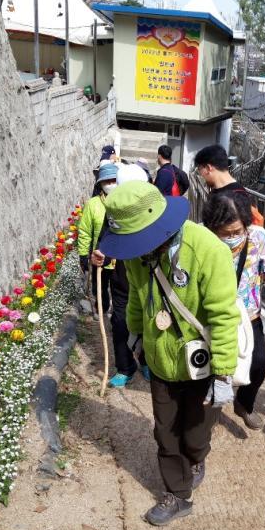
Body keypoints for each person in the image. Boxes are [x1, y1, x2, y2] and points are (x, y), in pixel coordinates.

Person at [99, 181, 240, 526]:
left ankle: (197, 456)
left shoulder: (209, 250)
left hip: (202, 363)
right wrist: (134, 336)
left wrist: (223, 373)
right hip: (160, 358)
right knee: (165, 431)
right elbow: (135, 297)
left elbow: (224, 316)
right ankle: (179, 495)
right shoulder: (137, 256)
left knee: (195, 431)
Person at [202, 193, 265, 429]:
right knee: (211, 366)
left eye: (237, 231)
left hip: (248, 314)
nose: (233, 238)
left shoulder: (257, 236)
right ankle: (207, 413)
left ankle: (244, 403)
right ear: (212, 227)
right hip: (211, 314)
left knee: (259, 361)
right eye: (226, 233)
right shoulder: (202, 239)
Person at [88, 164, 152, 386]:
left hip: (150, 276)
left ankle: (146, 361)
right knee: (120, 322)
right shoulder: (114, 209)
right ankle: (125, 367)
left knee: (149, 322)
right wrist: (100, 255)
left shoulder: (154, 204)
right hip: (122, 275)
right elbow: (107, 239)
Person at [78, 163, 118, 317]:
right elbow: (85, 231)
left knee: (119, 288)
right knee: (99, 287)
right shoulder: (93, 204)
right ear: (100, 184)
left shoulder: (125, 202)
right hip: (99, 257)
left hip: (121, 258)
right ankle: (102, 307)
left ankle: (118, 313)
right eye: (106, 181)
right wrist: (83, 254)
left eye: (113, 180)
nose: (110, 184)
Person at [193, 144, 264, 226]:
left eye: (199, 169)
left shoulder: (235, 196)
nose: (201, 175)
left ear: (209, 168)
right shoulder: (222, 190)